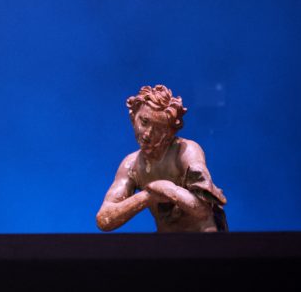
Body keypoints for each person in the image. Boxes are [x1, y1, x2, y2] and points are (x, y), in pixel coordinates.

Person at [95, 85, 227, 232]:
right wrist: (148, 196)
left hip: (205, 243)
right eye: (144, 122)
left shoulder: (185, 151)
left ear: (169, 132)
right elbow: (104, 219)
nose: (147, 134)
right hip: (167, 246)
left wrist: (169, 189)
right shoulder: (131, 165)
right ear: (133, 117)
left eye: (158, 128)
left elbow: (203, 210)